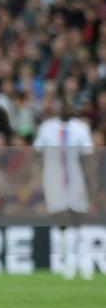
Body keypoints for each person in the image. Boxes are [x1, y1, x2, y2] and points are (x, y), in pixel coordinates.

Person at [33, 98, 96, 280]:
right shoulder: (47, 127)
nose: (66, 108)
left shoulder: (81, 128)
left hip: (75, 176)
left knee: (79, 219)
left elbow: (88, 156)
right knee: (62, 219)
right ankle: (68, 262)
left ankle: (84, 262)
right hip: (53, 176)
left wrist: (90, 181)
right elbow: (37, 152)